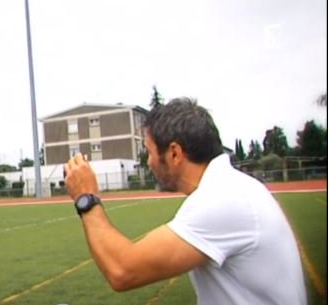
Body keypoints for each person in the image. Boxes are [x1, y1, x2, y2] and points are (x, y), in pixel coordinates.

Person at [64, 98, 306, 304]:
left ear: (175, 153)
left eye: (149, 152)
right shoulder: (230, 187)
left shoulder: (221, 198)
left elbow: (123, 270)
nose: (148, 163)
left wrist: (87, 198)